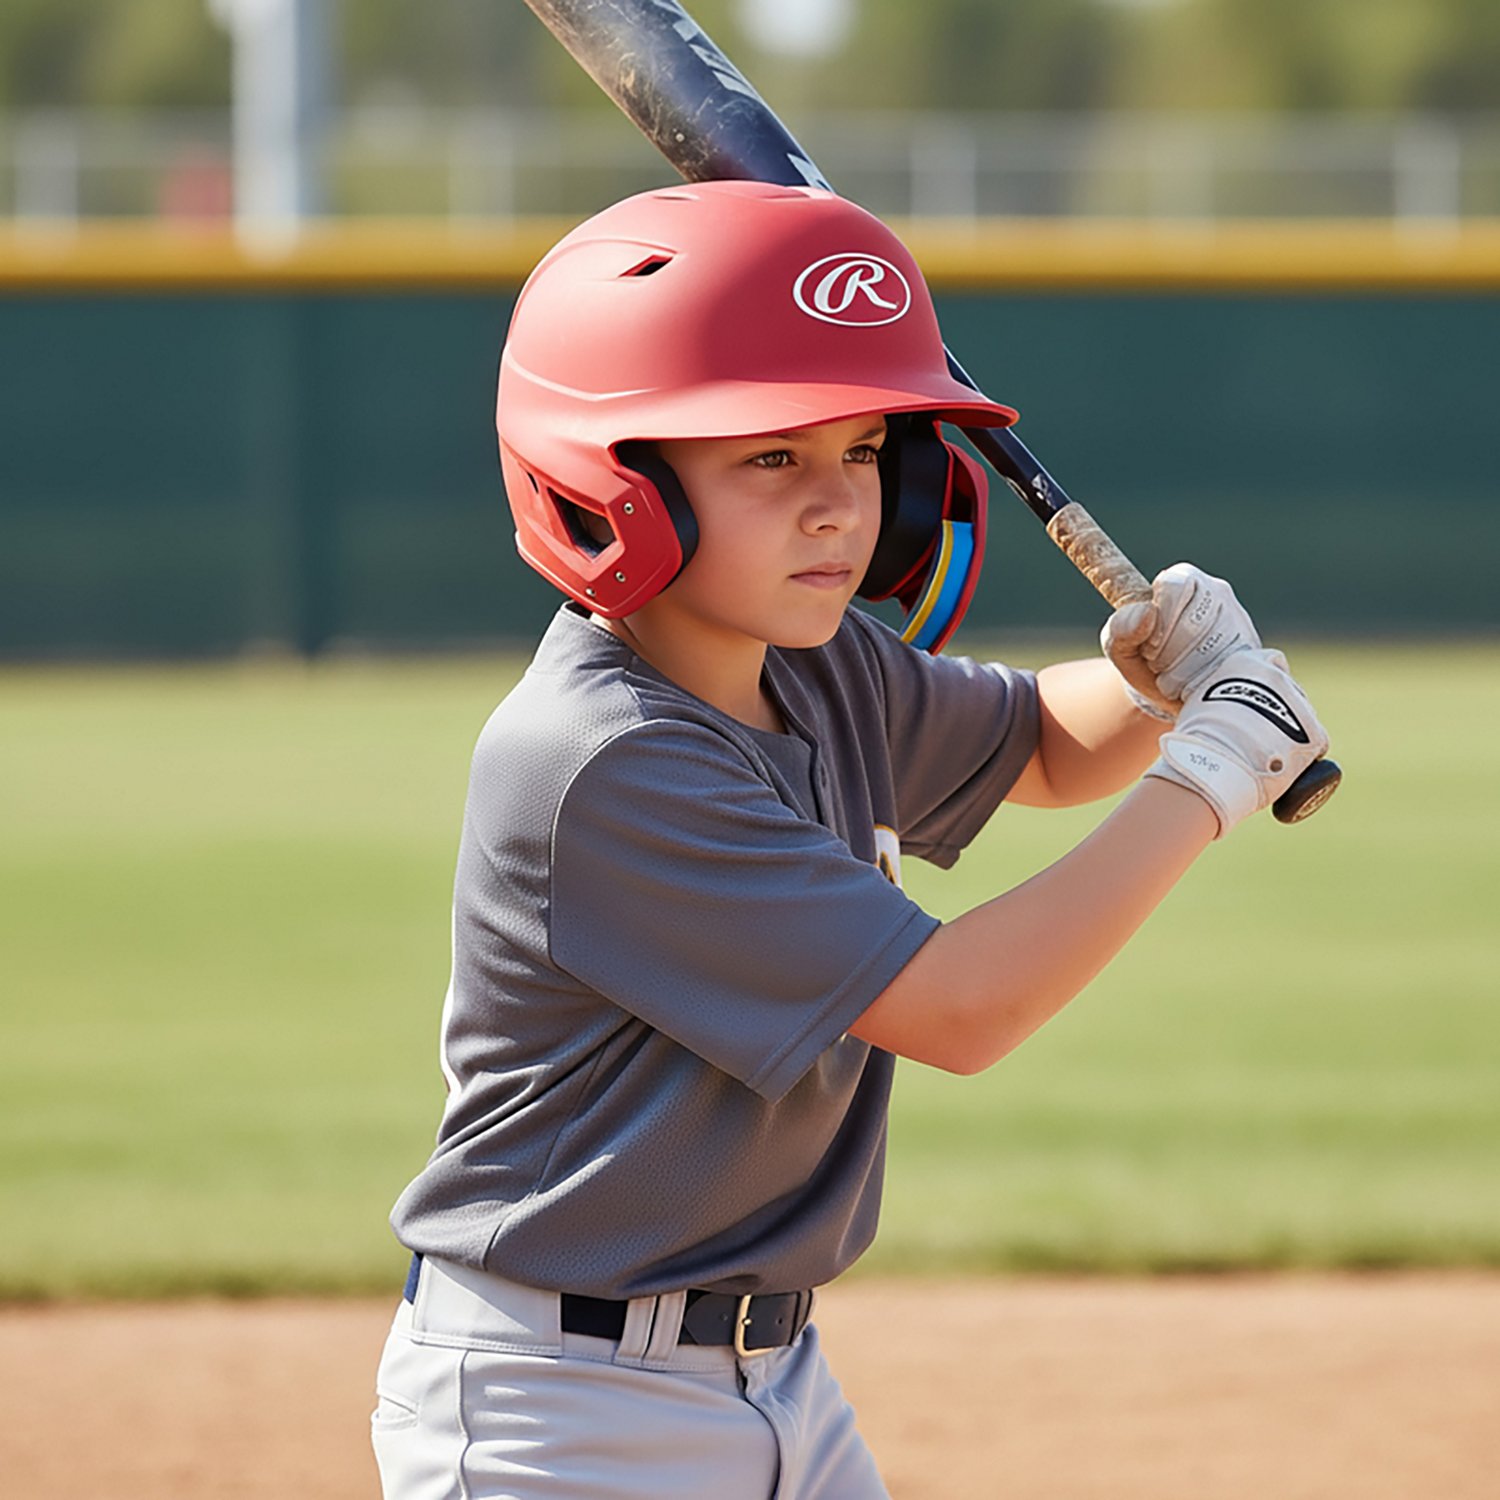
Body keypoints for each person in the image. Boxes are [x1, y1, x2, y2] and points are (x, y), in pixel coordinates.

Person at [370, 180, 1329, 1499]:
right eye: (770, 456)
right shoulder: (603, 757)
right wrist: (1213, 771)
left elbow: (1043, 746)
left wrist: (1161, 679)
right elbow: (964, 1008)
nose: (837, 505)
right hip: (563, 1411)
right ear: (613, 480)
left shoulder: (816, 670)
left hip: (781, 1384)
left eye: (867, 451)